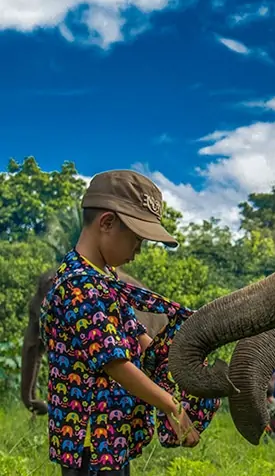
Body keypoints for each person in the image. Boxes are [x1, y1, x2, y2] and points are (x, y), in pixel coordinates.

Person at [39, 170, 200, 476]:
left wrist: (180, 368)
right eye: (136, 241)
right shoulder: (79, 286)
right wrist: (171, 406)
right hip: (89, 437)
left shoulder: (104, 280)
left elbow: (136, 335)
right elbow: (115, 363)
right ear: (107, 223)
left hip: (110, 433)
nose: (137, 252)